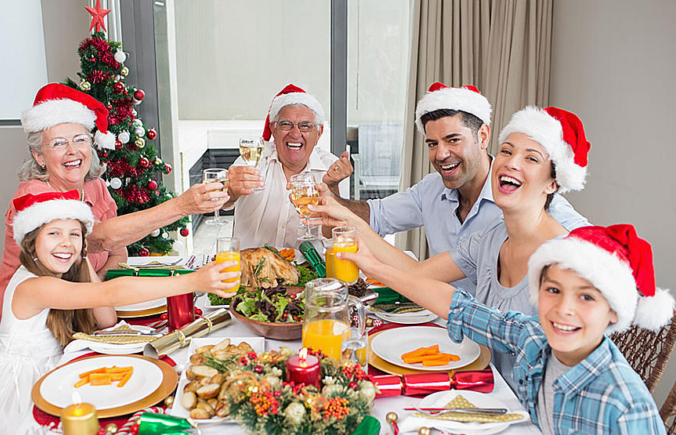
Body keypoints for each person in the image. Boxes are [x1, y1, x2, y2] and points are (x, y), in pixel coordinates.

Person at [337, 225, 676, 435]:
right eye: (554, 290)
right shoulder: (533, 340)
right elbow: (458, 307)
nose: (564, 309)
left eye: (586, 297)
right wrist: (373, 267)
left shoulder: (626, 406)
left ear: (614, 311)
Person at [313, 106, 592, 391]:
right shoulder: (491, 237)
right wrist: (349, 221)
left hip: (533, 407)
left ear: (554, 182)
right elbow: (420, 273)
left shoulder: (569, 254)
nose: (510, 163)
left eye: (531, 158)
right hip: (483, 381)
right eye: (507, 152)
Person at [0, 191, 239, 435]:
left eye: (74, 235)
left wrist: (81, 259)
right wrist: (195, 280)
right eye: (54, 234)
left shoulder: (60, 269)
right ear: (31, 245)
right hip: (17, 395)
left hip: (50, 373)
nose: (65, 242)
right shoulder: (33, 286)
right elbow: (114, 291)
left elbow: (106, 318)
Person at [0, 83, 229, 352]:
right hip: (21, 336)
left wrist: (95, 286)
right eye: (59, 143)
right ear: (39, 156)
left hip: (79, 318)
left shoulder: (95, 186)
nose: (72, 151)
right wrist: (181, 207)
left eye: (80, 139)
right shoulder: (35, 198)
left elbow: (117, 251)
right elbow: (98, 240)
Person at [321, 82, 588, 292]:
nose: (440, 154)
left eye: (453, 140)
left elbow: (599, 255)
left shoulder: (555, 220)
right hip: (445, 321)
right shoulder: (485, 236)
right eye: (432, 144)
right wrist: (335, 203)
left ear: (482, 137)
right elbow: (419, 274)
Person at [223, 84, 350, 249]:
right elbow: (222, 201)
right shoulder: (253, 160)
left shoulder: (332, 169)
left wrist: (332, 189)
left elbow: (336, 240)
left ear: (318, 133)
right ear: (273, 130)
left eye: (305, 126)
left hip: (307, 271)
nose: (295, 133)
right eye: (286, 125)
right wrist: (231, 192)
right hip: (250, 267)